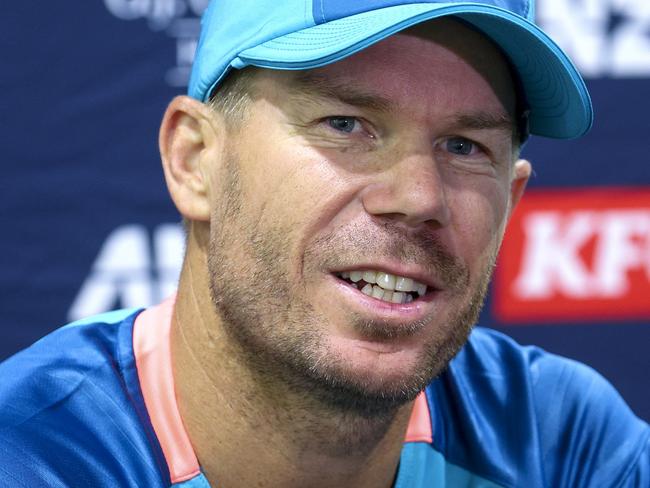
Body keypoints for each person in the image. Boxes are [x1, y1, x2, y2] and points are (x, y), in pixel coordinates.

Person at [1, 0, 648, 486]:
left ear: (511, 201)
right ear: (194, 159)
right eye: (347, 124)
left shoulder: (562, 445)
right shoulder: (32, 455)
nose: (419, 197)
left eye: (464, 146)